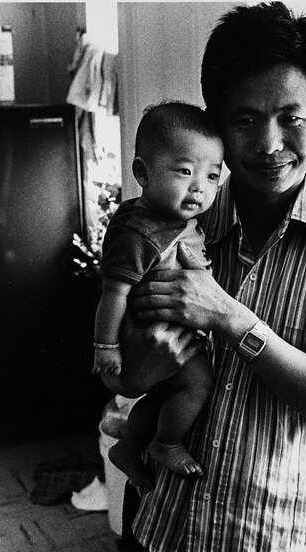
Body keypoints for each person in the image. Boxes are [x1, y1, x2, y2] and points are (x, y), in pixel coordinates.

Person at [101, 2, 306, 552]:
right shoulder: (165, 226)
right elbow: (121, 371)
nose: (269, 143)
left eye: (291, 118)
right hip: (164, 526)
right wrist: (135, 366)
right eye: (244, 120)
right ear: (216, 125)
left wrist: (230, 317)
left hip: (277, 544)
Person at [92, 102, 223, 490]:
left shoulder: (176, 220)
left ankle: (128, 448)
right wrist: (105, 346)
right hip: (152, 340)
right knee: (198, 383)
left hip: (174, 339)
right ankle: (166, 443)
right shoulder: (141, 233)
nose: (199, 186)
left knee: (165, 395)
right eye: (184, 171)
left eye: (212, 175)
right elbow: (113, 293)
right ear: (142, 173)